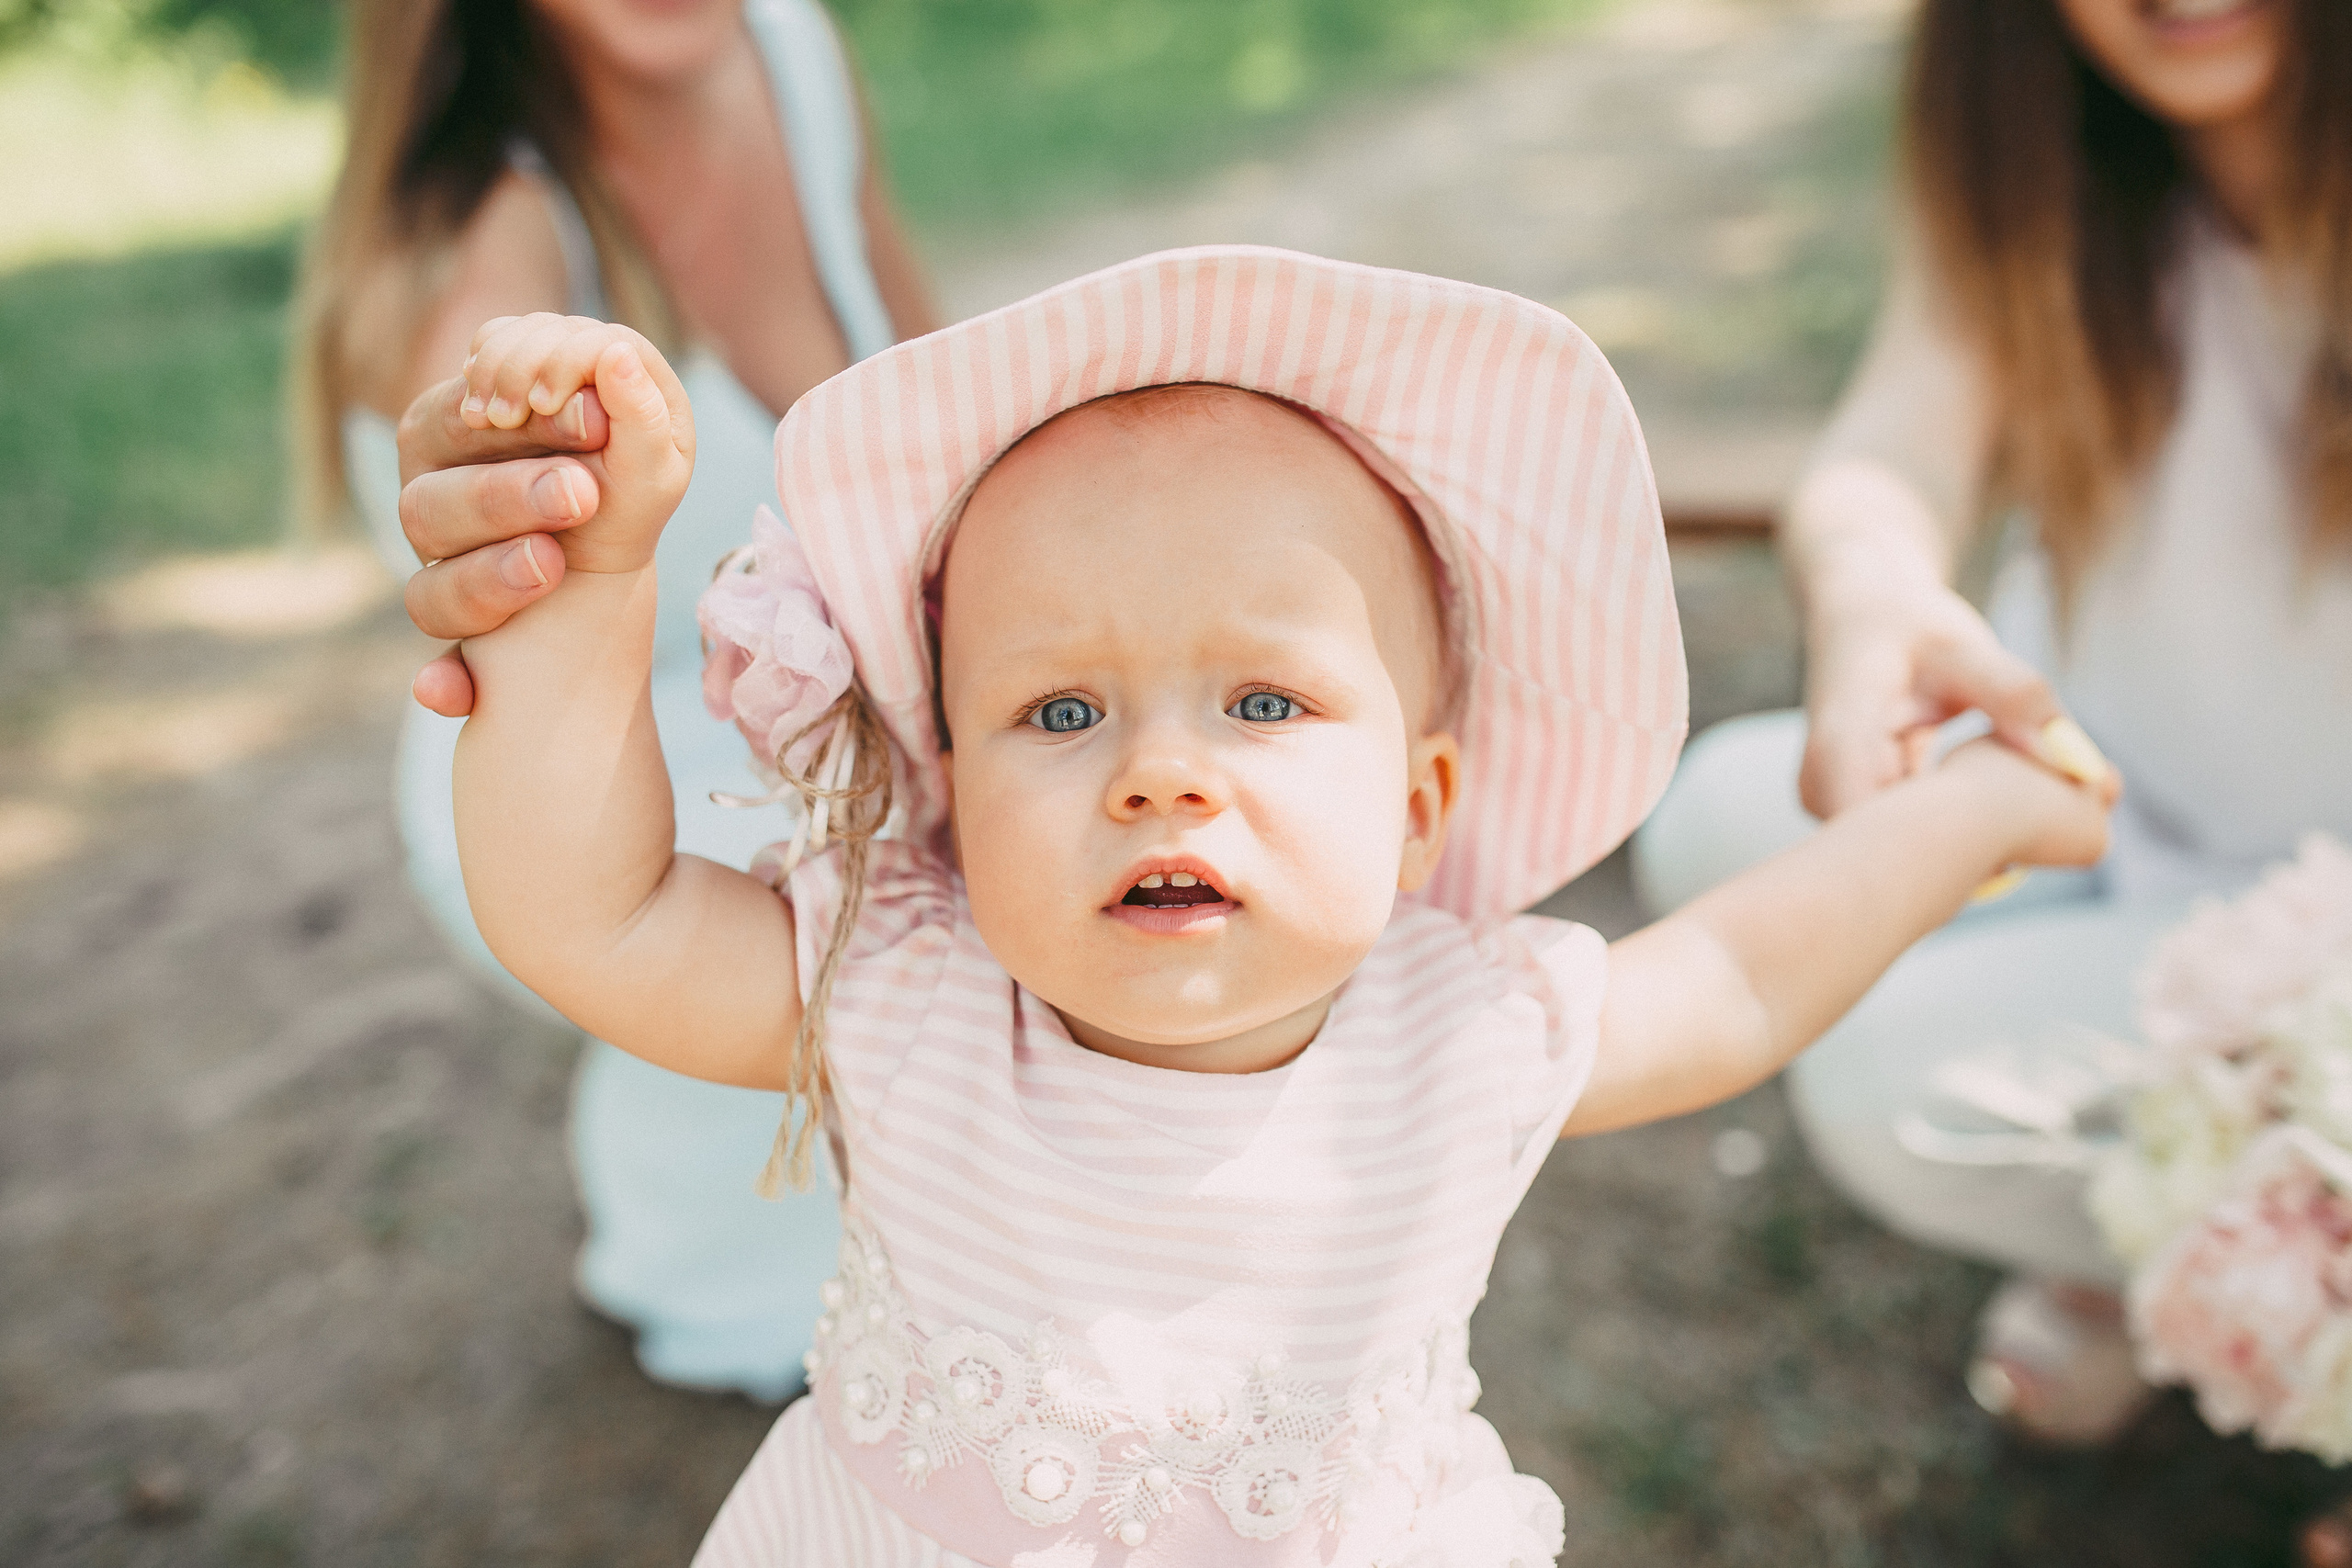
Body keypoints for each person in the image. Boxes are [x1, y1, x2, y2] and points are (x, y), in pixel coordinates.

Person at [417, 247, 2113, 1562]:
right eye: (1061, 714)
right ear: (950, 780)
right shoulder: (904, 988)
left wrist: (1970, 810)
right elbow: (600, 916)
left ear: (1418, 810)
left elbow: (1739, 976)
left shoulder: (1461, 1033)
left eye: (1264, 704)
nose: (1159, 777)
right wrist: (577, 601)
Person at [1631, 0, 2352, 1450]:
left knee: (1892, 1083)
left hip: (2317, 892)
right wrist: (1876, 593)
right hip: (2112, 769)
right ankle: (2159, 1217)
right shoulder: (2062, 166)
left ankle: (2249, 1268)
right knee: (1722, 821)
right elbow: (1896, 440)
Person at [288, 0, 939, 1398]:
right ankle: (723, 1232)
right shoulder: (492, 236)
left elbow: (938, 378)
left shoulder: (787, 48)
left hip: (832, 702)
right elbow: (480, 466)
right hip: (584, 761)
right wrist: (485, 481)